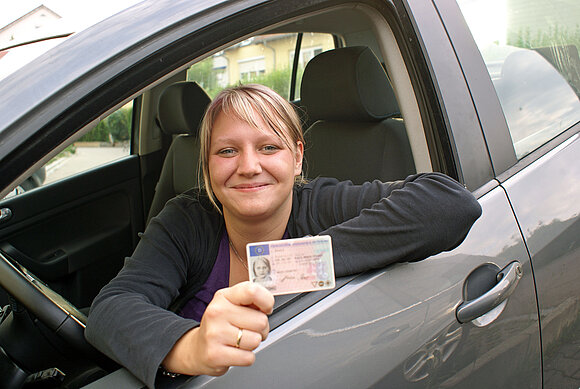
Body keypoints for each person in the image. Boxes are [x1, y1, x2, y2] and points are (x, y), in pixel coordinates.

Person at [85, 84, 482, 388]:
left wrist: (288, 266)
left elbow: (449, 204)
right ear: (205, 166)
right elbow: (112, 308)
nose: (249, 166)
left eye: (268, 147)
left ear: (296, 158)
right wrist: (191, 346)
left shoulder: (321, 203)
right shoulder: (187, 219)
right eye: (226, 152)